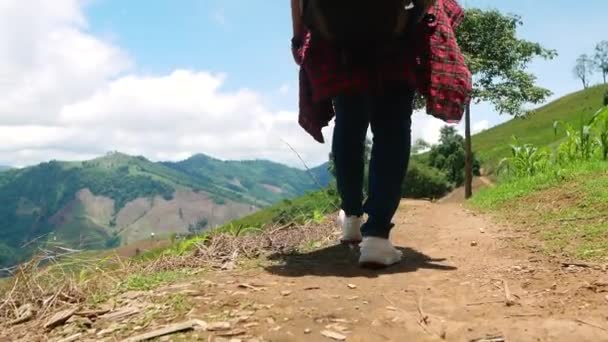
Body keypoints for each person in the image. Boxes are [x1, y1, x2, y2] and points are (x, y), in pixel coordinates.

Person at [290, 0, 472, 268]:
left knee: (349, 123)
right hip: (396, 37)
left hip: (338, 38)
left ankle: (352, 217)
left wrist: (299, 35)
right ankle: (376, 235)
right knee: (392, 126)